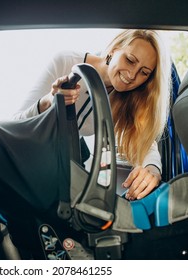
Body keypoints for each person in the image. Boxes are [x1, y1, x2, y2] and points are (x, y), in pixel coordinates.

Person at [13, 29, 172, 201]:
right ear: (114, 50)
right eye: (130, 60)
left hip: (63, 167)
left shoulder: (128, 97)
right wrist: (49, 101)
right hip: (24, 158)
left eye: (144, 72)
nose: (132, 75)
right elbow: (17, 123)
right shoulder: (65, 62)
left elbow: (146, 144)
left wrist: (152, 169)